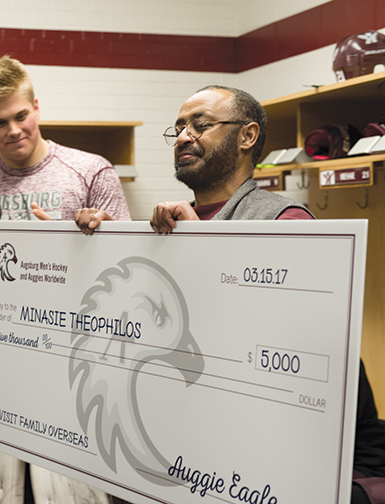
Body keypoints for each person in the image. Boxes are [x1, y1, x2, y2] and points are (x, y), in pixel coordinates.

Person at [149, 84, 384, 504]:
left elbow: (282, 338)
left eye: (200, 125)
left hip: (274, 456)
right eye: (179, 127)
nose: (184, 136)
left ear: (247, 136)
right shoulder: (169, 227)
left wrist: (200, 242)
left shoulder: (287, 219)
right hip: (199, 443)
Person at [0, 55, 131, 338]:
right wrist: (43, 263)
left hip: (77, 340)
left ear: (36, 107)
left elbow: (121, 272)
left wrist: (59, 251)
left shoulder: (93, 171)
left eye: (21, 116)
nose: (14, 131)